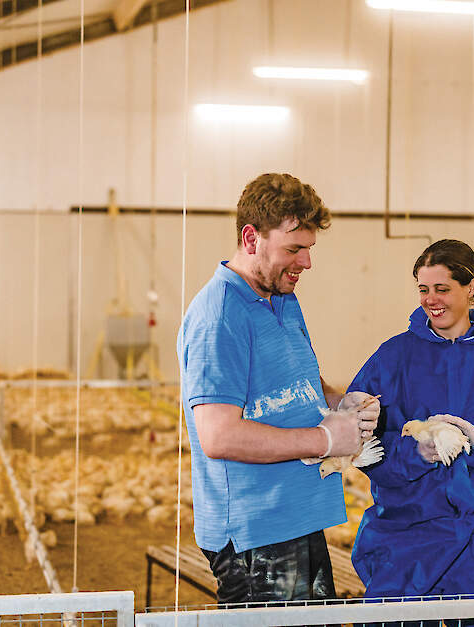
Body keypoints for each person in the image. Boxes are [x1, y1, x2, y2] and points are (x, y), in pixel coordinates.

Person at [177, 172, 380, 605]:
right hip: (255, 535)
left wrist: (338, 402)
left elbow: (299, 381)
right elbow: (219, 435)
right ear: (251, 238)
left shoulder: (282, 298)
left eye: (308, 249)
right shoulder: (220, 316)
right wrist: (326, 438)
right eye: (294, 249)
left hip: (294, 517)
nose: (306, 262)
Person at [347, 239, 474, 624]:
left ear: (471, 287)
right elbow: (361, 443)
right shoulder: (392, 358)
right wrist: (415, 453)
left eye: (442, 289)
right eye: (424, 289)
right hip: (405, 530)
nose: (431, 300)